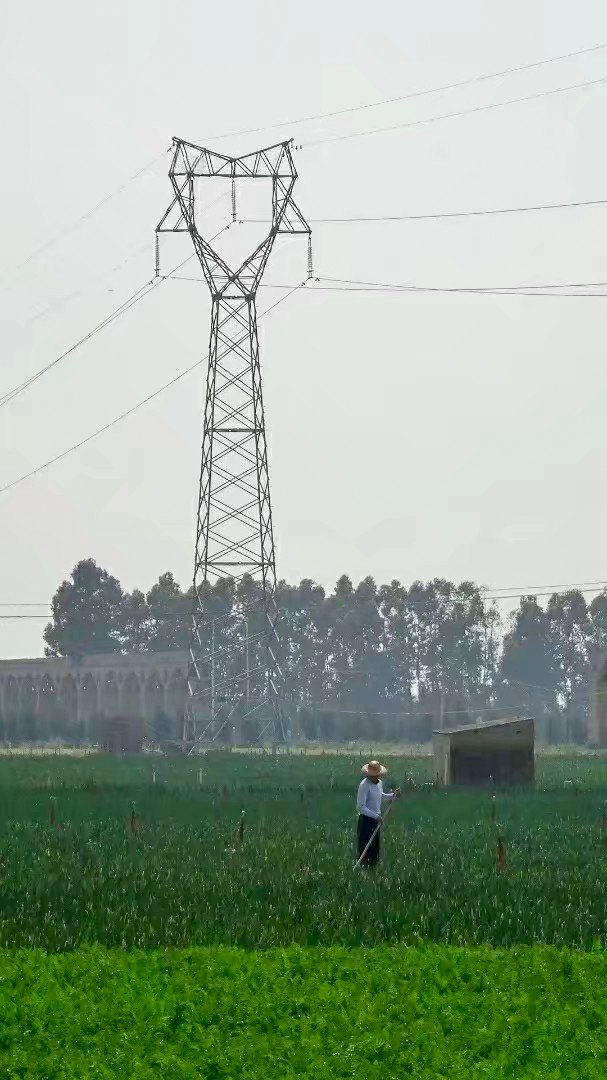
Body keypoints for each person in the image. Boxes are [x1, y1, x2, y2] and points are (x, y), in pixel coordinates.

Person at [356, 760, 400, 867]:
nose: (376, 777)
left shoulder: (379, 783)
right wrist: (376, 816)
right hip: (366, 821)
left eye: (377, 775)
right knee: (366, 848)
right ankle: (364, 870)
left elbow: (380, 796)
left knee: (375, 848)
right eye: (373, 775)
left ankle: (374, 870)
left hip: (376, 821)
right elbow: (361, 807)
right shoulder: (364, 785)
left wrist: (392, 796)